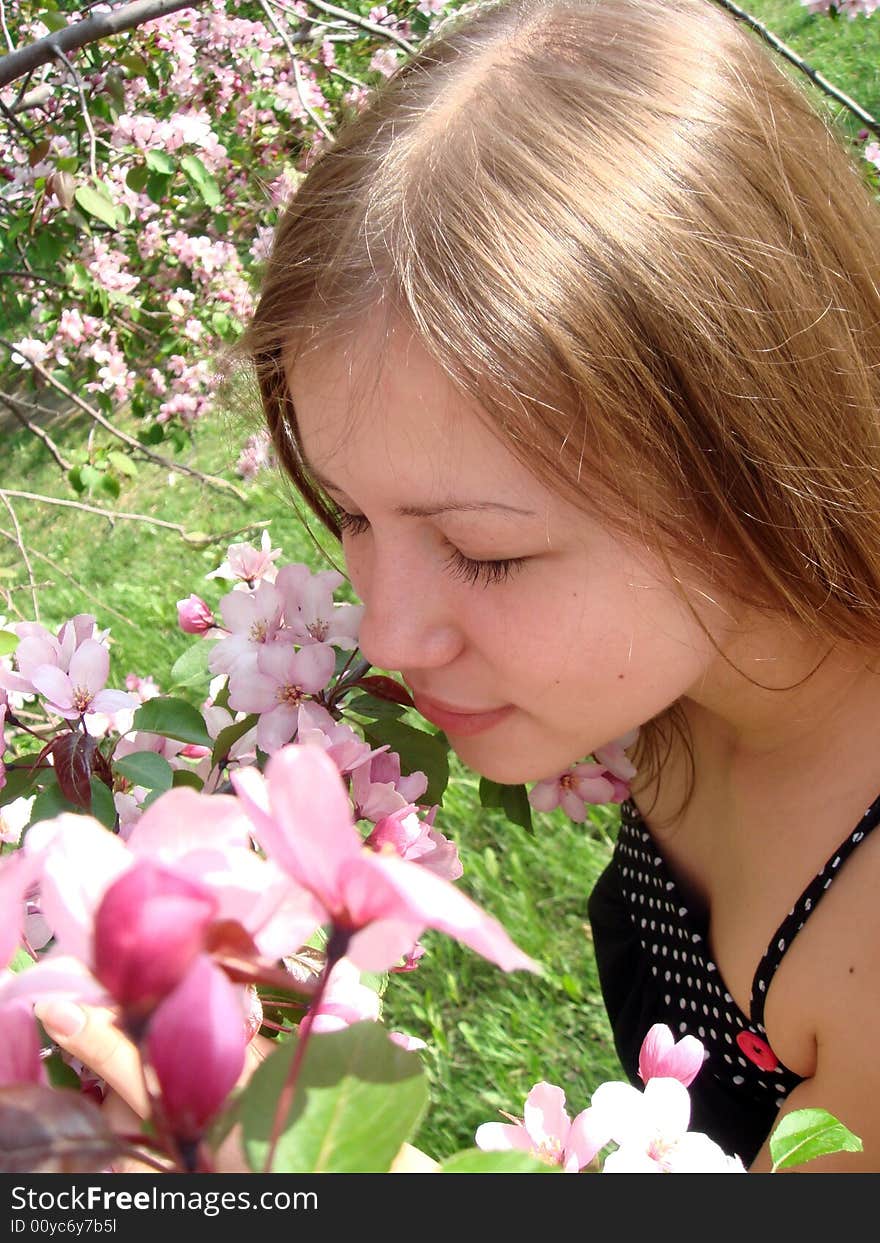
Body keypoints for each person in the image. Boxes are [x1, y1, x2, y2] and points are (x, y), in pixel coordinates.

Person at [40, 0, 880, 1172]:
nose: (383, 632)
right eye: (348, 511)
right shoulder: (696, 663)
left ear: (749, 454)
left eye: (487, 550)